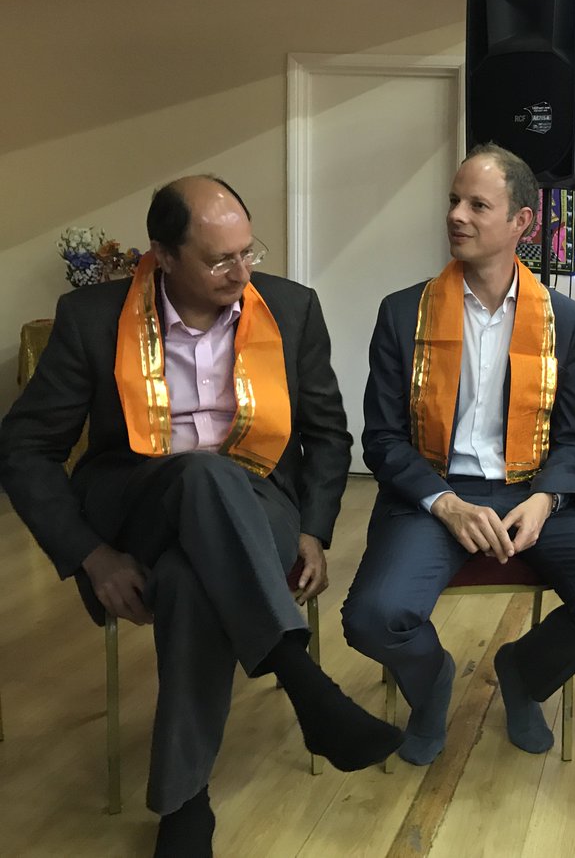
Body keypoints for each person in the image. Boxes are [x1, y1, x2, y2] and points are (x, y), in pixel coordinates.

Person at [0, 176, 403, 858]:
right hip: (140, 500)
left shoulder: (289, 308)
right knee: (200, 472)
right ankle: (305, 684)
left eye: (249, 252)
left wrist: (313, 531)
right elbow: (24, 448)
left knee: (190, 579)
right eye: (220, 260)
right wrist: (93, 556)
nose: (242, 273)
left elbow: (329, 435)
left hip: (259, 499)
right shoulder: (93, 318)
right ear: (162, 256)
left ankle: (184, 807)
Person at [341, 144, 575, 766]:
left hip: (533, 491)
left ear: (522, 223)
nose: (456, 215)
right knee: (371, 618)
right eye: (453, 201)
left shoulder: (563, 318)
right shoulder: (404, 312)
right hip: (434, 493)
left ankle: (522, 672)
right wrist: (444, 503)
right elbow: (382, 439)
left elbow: (573, 435)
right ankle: (432, 683)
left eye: (477, 205)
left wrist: (547, 497)